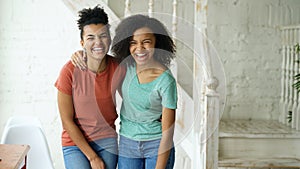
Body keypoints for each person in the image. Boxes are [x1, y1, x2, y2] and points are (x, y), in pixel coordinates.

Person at [72, 14, 177, 169]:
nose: (139, 48)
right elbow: (99, 59)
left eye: (146, 42)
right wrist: (80, 54)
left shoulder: (165, 81)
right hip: (128, 143)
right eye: (133, 43)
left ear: (157, 43)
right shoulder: (124, 67)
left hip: (157, 144)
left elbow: (167, 133)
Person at [55, 5, 120, 169]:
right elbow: (66, 121)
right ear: (82, 42)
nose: (98, 42)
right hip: (74, 142)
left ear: (110, 39)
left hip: (106, 138)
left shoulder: (118, 67)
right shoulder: (69, 71)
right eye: (91, 37)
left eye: (103, 36)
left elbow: (137, 92)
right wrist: (92, 158)